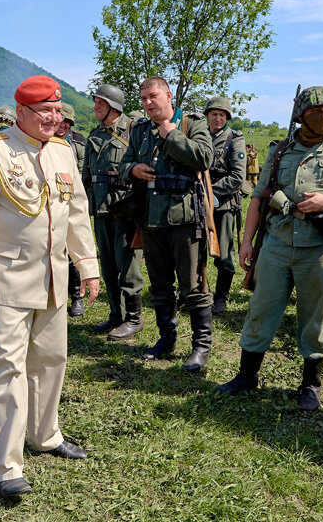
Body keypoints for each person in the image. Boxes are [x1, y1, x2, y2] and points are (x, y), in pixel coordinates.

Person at [0, 75, 99, 498]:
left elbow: (76, 213)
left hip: (53, 280)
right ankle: (5, 465)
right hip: (7, 281)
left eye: (58, 111)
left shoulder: (63, 150)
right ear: (21, 112)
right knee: (9, 369)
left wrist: (87, 266)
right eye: (45, 111)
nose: (54, 118)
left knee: (52, 359)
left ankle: (45, 435)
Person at [217, 87, 323, 411]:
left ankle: (310, 385)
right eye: (319, 112)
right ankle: (247, 375)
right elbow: (259, 198)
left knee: (316, 319)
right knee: (260, 310)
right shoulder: (279, 150)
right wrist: (247, 242)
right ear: (301, 116)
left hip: (320, 248)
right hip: (276, 244)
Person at [119, 76, 216, 371]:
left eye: (153, 96)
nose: (148, 103)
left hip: (185, 218)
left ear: (168, 95)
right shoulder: (140, 131)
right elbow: (125, 164)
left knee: (193, 285)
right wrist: (132, 169)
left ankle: (201, 346)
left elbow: (204, 158)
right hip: (150, 219)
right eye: (144, 99)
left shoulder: (191, 124)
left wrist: (172, 135)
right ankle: (166, 338)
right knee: (160, 285)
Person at [82, 83, 144, 340]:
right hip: (101, 208)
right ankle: (115, 315)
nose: (95, 106)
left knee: (127, 265)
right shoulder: (95, 134)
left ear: (114, 106)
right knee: (107, 265)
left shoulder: (133, 130)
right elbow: (87, 175)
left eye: (100, 102)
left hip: (125, 209)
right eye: (96, 101)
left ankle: (134, 318)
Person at [204, 96, 247, 314]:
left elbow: (238, 177)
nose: (218, 118)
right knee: (196, 252)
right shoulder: (200, 137)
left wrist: (210, 193)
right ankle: (198, 294)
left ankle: (220, 297)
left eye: (222, 115)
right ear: (208, 116)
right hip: (199, 204)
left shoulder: (234, 139)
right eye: (214, 114)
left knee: (224, 256)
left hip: (223, 205)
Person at [57, 103, 88, 317]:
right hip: (48, 203)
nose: (63, 126)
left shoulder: (77, 143)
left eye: (68, 123)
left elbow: (83, 171)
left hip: (70, 199)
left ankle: (76, 297)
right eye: (61, 121)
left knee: (72, 251)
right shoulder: (40, 141)